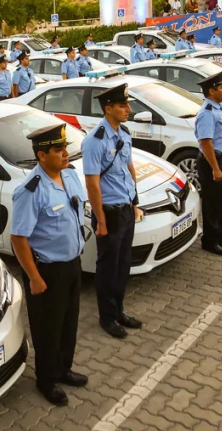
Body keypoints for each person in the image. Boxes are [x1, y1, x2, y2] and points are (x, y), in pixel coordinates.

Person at [10, 122, 88, 406]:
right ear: (42, 155)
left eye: (65, 147)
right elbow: (18, 238)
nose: (65, 153)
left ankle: (63, 369)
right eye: (58, 149)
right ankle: (46, 380)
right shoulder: (30, 190)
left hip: (72, 264)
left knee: (68, 323)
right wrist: (33, 277)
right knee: (48, 329)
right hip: (46, 271)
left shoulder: (70, 175)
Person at [81, 83, 143, 339]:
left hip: (126, 209)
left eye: (127, 105)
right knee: (108, 268)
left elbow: (129, 168)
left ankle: (119, 311)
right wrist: (101, 221)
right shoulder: (94, 141)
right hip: (109, 213)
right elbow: (92, 184)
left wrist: (134, 200)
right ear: (108, 109)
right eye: (122, 106)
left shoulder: (124, 133)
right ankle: (107, 317)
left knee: (123, 265)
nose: (128, 109)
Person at [193, 72, 222, 256]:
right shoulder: (207, 113)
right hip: (212, 163)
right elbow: (206, 143)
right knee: (212, 204)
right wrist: (216, 168)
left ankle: (218, 235)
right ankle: (209, 241)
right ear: (211, 91)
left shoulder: (219, 107)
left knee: (221, 202)